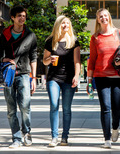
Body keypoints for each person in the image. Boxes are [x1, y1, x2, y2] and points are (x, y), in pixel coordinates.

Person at [0, 5, 37, 148]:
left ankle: (27, 132)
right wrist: (3, 59)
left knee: (25, 106)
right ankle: (16, 138)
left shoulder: (30, 35)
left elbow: (34, 57)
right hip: (9, 76)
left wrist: (34, 78)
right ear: (13, 17)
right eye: (19, 16)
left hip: (24, 74)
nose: (22, 18)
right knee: (11, 109)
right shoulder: (5, 34)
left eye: (24, 16)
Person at [87, 8, 120, 149]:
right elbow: (92, 59)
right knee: (105, 107)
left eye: (105, 15)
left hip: (117, 76)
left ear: (109, 17)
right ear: (98, 19)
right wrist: (89, 79)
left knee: (117, 108)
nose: (103, 18)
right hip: (101, 77)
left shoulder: (119, 33)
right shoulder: (95, 38)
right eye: (100, 16)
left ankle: (115, 127)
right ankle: (106, 138)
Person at [43, 15, 81, 147]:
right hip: (53, 78)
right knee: (54, 105)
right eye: (63, 23)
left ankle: (64, 137)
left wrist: (77, 76)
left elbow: (77, 61)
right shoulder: (50, 41)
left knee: (66, 108)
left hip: (68, 79)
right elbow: (44, 60)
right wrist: (50, 60)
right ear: (58, 25)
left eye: (67, 23)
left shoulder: (74, 42)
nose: (66, 25)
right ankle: (54, 137)